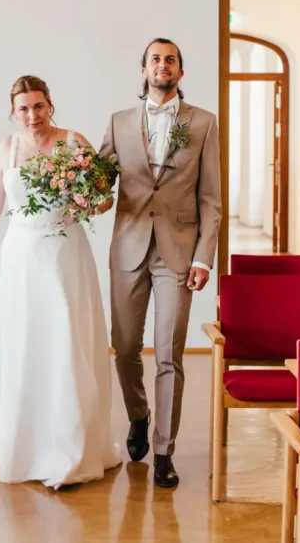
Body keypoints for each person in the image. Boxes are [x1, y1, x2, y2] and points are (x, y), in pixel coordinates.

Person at [0, 75, 122, 489]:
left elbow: (104, 197)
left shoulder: (74, 142)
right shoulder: (7, 148)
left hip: (65, 254)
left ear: (50, 105)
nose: (32, 115)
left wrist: (87, 199)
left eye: (38, 106)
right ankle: (24, 439)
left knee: (67, 339)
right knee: (24, 341)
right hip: (19, 257)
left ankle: (70, 443)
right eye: (23, 108)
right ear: (13, 112)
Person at [98, 38, 222, 488]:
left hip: (179, 253)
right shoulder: (118, 122)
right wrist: (75, 195)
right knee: (126, 348)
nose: (162, 65)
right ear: (144, 69)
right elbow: (97, 184)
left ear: (180, 72)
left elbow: (211, 200)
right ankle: (138, 414)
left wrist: (204, 258)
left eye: (171, 60)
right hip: (128, 249)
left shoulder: (203, 123)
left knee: (169, 353)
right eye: (155, 59)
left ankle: (164, 450)